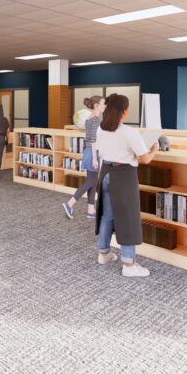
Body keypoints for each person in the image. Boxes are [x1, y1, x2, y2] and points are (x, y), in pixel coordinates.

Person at [93, 93, 158, 277]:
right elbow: (144, 158)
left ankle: (103, 253)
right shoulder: (129, 132)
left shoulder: (100, 128)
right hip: (123, 175)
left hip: (105, 173)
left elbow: (102, 151)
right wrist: (153, 149)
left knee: (107, 215)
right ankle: (129, 265)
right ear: (124, 111)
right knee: (127, 218)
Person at [62, 95, 104, 219]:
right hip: (92, 153)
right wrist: (95, 158)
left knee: (93, 181)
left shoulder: (89, 119)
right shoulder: (96, 120)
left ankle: (91, 210)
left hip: (88, 152)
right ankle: (70, 203)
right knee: (91, 181)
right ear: (96, 105)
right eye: (103, 103)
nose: (105, 106)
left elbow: (90, 139)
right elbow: (93, 140)